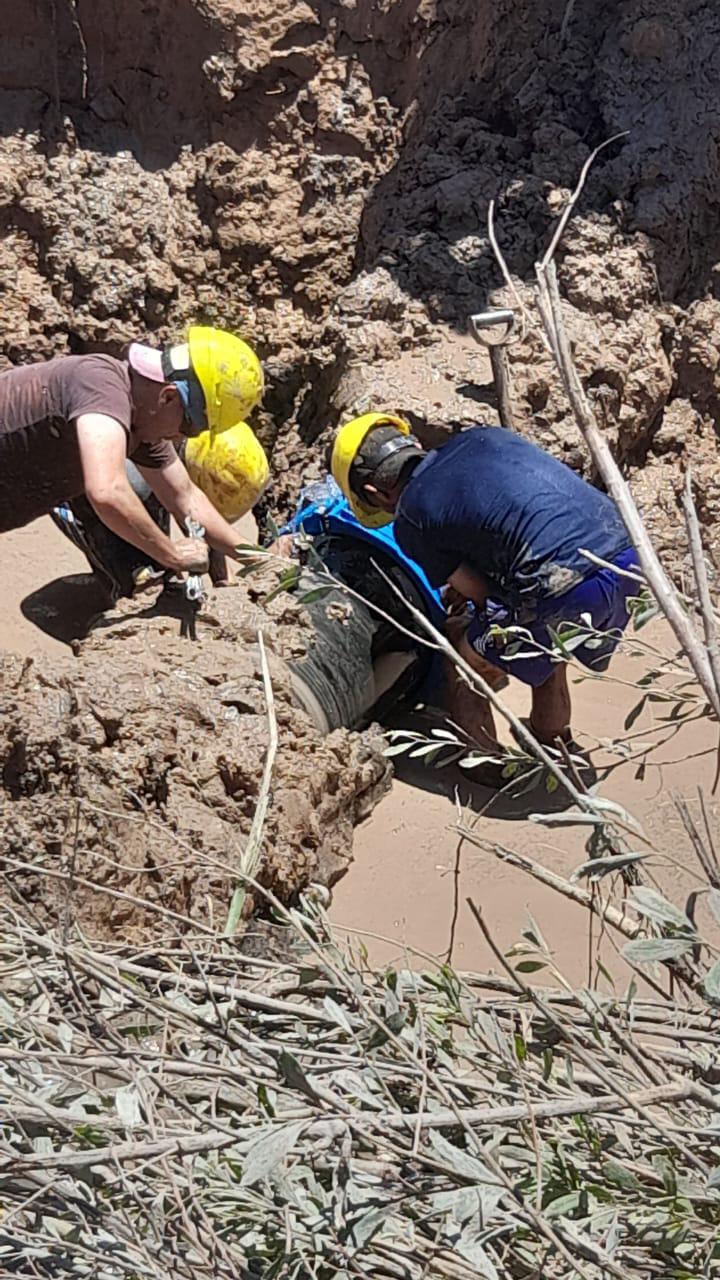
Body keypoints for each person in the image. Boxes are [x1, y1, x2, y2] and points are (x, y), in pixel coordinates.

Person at [330, 413, 640, 751]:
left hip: (559, 588)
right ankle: (552, 737)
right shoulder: (483, 437)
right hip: (627, 552)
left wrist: (471, 615)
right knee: (545, 634)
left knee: (462, 651)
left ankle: (485, 761)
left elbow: (481, 595)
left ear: (376, 493)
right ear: (414, 446)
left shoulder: (411, 517)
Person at [0, 325, 264, 585]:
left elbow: (186, 498)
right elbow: (107, 492)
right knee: (130, 485)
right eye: (189, 427)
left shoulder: (143, 422)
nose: (180, 438)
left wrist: (260, 561)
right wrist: (171, 554)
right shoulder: (100, 385)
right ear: (169, 397)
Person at [51, 422, 269, 602]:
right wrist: (170, 557)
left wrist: (226, 582)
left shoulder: (205, 441)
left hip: (141, 486)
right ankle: (121, 595)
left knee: (162, 562)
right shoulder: (142, 471)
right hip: (78, 495)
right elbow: (182, 507)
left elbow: (201, 522)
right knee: (139, 581)